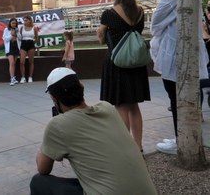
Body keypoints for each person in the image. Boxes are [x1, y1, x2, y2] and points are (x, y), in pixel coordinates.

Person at [30, 67, 157, 195]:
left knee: (38, 182)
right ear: (81, 87)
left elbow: (43, 168)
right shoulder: (107, 108)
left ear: (53, 98)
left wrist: (49, 139)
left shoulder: (57, 125)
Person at [150, 0, 209, 155]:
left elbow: (155, 23)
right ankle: (183, 138)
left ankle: (180, 140)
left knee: (175, 98)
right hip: (188, 53)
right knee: (186, 99)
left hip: (174, 55)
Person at [96, 0, 150, 152]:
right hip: (136, 63)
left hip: (117, 63)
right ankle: (138, 146)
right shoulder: (141, 12)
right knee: (134, 105)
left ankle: (126, 150)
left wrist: (102, 33)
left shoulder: (109, 13)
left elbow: (101, 38)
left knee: (121, 106)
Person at [19, 15, 39, 83]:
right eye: (24, 20)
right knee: (22, 62)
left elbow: (36, 38)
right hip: (23, 44)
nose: (25, 22)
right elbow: (20, 37)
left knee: (31, 61)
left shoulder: (34, 28)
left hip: (31, 44)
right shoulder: (22, 28)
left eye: (26, 20)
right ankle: (23, 77)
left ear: (30, 20)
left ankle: (30, 77)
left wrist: (33, 43)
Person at [3, 18, 21, 86]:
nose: (14, 24)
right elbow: (5, 39)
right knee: (12, 62)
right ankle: (12, 78)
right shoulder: (6, 29)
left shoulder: (17, 29)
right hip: (9, 47)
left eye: (15, 23)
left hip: (16, 46)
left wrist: (17, 33)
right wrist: (11, 35)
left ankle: (14, 78)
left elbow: (20, 38)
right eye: (13, 23)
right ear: (10, 23)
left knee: (14, 63)